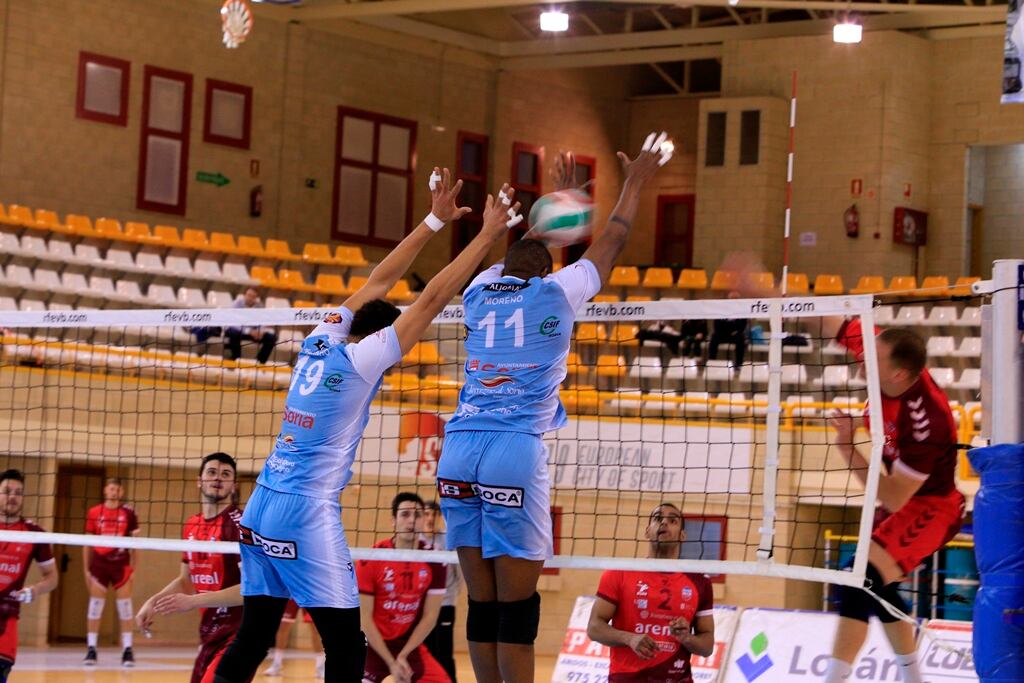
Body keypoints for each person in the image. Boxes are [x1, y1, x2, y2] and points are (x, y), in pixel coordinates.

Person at [212, 167, 522, 683]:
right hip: (304, 510)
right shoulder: (362, 360)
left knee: (255, 633)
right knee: (345, 642)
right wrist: (487, 236)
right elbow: (429, 301)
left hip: (263, 499)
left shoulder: (320, 340)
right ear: (381, 340)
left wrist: (433, 220)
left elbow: (378, 281)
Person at [435, 132, 672, 683]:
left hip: (459, 449)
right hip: (511, 452)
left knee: (485, 606)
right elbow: (612, 240)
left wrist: (555, 212)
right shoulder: (556, 294)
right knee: (517, 615)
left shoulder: (476, 290)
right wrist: (632, 182)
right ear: (549, 274)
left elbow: (524, 254)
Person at [821, 318, 965, 683]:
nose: (863, 359)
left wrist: (847, 450)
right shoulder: (885, 360)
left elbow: (895, 497)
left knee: (860, 579)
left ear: (899, 374)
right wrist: (770, 293)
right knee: (873, 584)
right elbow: (830, 321)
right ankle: (913, 679)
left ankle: (834, 679)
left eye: (873, 357)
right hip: (897, 496)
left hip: (931, 506)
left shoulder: (927, 421)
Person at [135, 453, 243, 683]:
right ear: (199, 480)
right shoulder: (191, 525)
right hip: (209, 634)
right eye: (212, 472)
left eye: (225, 474)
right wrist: (153, 601)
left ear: (233, 485)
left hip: (239, 636)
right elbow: (186, 580)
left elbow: (251, 590)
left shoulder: (239, 526)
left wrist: (193, 601)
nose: (217, 479)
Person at [586, 503, 714, 683]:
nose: (664, 523)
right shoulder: (619, 573)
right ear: (647, 531)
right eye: (657, 519)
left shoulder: (700, 581)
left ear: (683, 535)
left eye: (672, 520)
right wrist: (629, 638)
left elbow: (707, 647)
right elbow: (593, 628)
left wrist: (686, 638)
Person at [359, 492, 448, 683]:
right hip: (371, 644)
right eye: (405, 514)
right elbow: (363, 618)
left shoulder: (436, 560)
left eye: (417, 515)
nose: (411, 521)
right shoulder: (372, 558)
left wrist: (402, 656)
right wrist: (391, 662)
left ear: (424, 520)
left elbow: (430, 616)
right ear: (393, 520)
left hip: (408, 646)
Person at [0, 469, 58, 683]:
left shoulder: (33, 533)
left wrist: (35, 590)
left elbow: (52, 577)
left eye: (18, 492)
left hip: (6, 617)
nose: (13, 497)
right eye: (7, 491)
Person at [83, 476, 140, 667]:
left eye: (117, 489)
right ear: (105, 490)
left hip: (121, 565)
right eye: (111, 488)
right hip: (99, 565)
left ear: (121, 492)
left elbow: (136, 544)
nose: (114, 492)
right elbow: (87, 544)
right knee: (95, 606)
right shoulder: (94, 512)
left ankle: (128, 649)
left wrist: (134, 568)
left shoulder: (129, 513)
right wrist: (85, 569)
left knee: (125, 607)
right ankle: (91, 649)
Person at [420, 501, 462, 682]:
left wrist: (450, 597)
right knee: (424, 651)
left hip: (445, 604)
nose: (430, 518)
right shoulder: (416, 539)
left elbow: (459, 574)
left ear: (439, 517)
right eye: (427, 514)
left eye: (434, 515)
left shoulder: (448, 539)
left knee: (444, 653)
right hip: (421, 606)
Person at [263, 601, 324, 678]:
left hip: (308, 594)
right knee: (283, 626)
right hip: (291, 594)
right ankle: (276, 664)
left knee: (316, 629)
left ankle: (320, 667)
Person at [225, 287, 278, 365]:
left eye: (253, 296)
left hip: (253, 332)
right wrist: (249, 331)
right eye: (249, 295)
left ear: (256, 298)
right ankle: (236, 359)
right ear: (244, 295)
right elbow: (232, 323)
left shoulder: (260, 306)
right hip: (238, 331)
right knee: (234, 333)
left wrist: (261, 331)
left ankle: (260, 362)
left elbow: (263, 321)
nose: (250, 298)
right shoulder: (236, 304)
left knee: (272, 337)